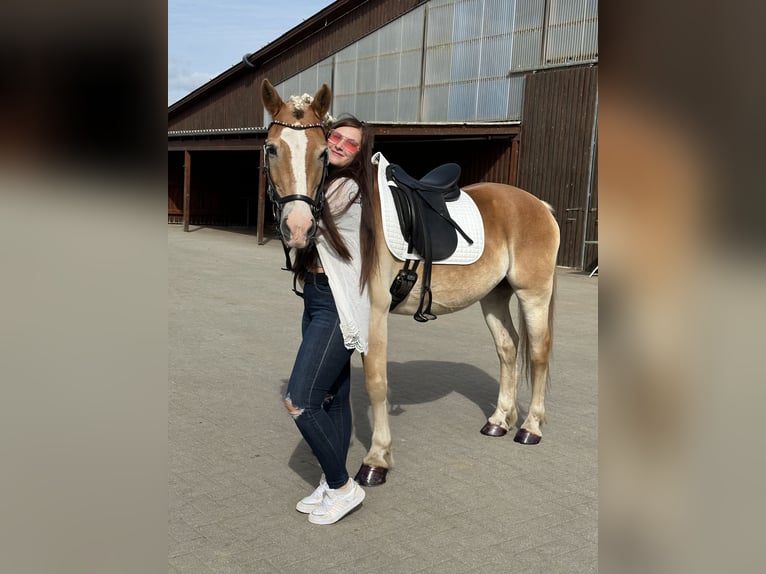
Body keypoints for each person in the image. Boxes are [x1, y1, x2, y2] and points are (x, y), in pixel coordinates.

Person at [284, 114, 377, 525]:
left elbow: (305, 224)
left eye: (350, 142)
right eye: (335, 136)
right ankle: (329, 479)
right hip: (317, 297)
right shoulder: (325, 180)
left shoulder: (349, 186)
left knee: (300, 400)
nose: (339, 144)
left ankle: (343, 487)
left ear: (360, 152)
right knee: (335, 399)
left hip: (337, 306)